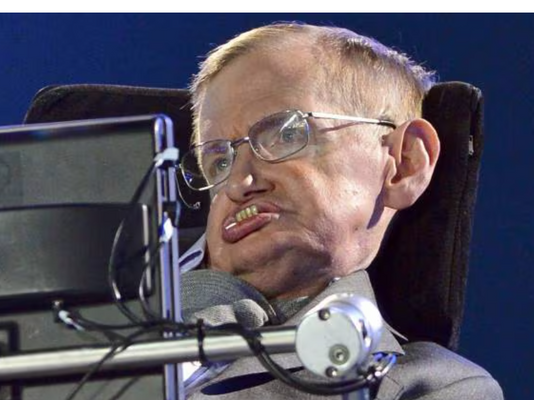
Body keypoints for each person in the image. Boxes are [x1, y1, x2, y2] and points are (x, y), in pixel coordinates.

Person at [177, 22, 503, 399]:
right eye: (218, 162)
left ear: (405, 162)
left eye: (286, 134)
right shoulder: (127, 319)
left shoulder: (433, 386)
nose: (237, 183)